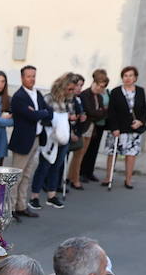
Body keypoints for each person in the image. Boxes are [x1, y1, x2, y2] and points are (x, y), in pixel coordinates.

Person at [6, 66, 52, 218]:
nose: (32, 79)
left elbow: (48, 113)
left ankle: (21, 206)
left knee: (27, 175)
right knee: (16, 176)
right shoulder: (19, 97)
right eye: (28, 76)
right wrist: (39, 114)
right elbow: (31, 116)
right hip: (23, 141)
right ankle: (11, 208)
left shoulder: (37, 94)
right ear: (22, 78)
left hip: (36, 139)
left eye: (33, 76)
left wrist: (39, 113)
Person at [28, 74, 76, 212]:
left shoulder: (70, 100)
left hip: (63, 137)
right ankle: (34, 196)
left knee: (57, 166)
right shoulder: (48, 98)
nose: (72, 92)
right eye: (70, 89)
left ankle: (51, 195)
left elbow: (71, 117)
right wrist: (55, 121)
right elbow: (43, 116)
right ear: (63, 87)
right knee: (44, 166)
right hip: (50, 137)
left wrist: (70, 119)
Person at [105, 66, 146, 190]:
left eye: (130, 76)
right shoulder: (116, 92)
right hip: (118, 128)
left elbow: (144, 110)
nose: (128, 78)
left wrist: (140, 121)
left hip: (133, 128)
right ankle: (109, 177)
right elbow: (111, 112)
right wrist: (114, 128)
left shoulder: (140, 91)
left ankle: (128, 179)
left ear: (135, 78)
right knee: (112, 153)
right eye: (125, 76)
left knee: (131, 154)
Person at [75, 70, 109, 183]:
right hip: (84, 127)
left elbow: (98, 114)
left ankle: (83, 174)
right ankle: (76, 177)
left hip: (92, 127)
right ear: (94, 82)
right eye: (100, 86)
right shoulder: (85, 94)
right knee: (79, 154)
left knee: (87, 152)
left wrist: (100, 111)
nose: (101, 89)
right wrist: (101, 111)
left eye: (103, 87)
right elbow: (91, 111)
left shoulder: (98, 97)